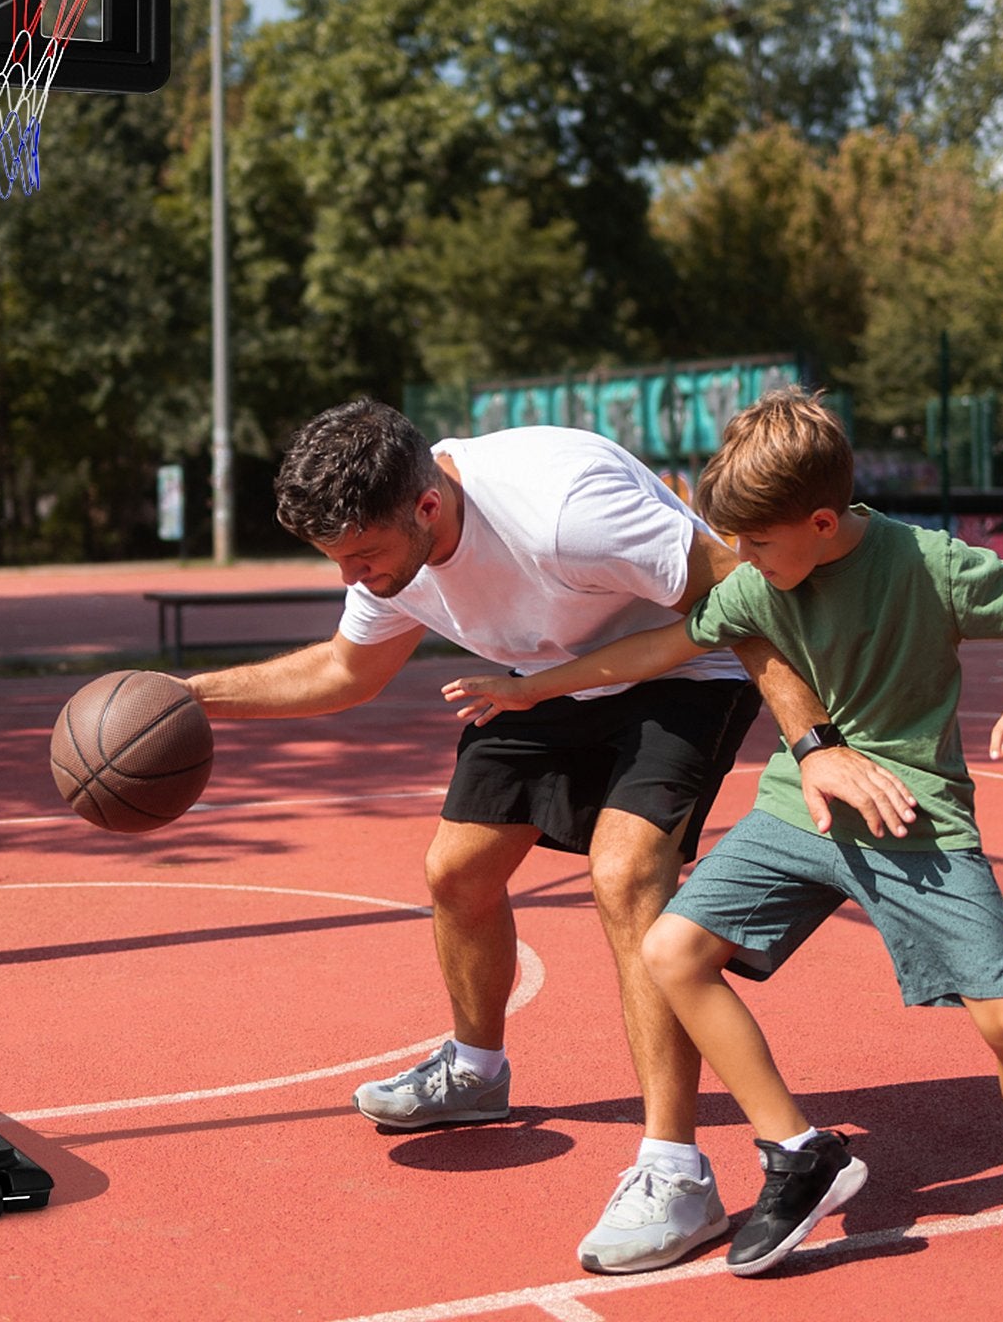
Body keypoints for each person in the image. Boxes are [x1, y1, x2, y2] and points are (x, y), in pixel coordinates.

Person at [181, 398, 900, 1273]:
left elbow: (741, 595)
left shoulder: (565, 512)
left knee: (627, 875)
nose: (355, 581)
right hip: (544, 677)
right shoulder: (389, 551)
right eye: (339, 562)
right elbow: (345, 668)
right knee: (456, 873)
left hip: (682, 665)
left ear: (429, 506)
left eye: (362, 558)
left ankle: (676, 1173)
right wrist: (191, 695)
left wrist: (816, 741)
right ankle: (476, 1074)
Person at [444, 387, 1003, 1275]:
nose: (736, 561)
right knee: (673, 952)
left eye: (755, 542)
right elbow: (659, 648)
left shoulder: (930, 565)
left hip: (913, 819)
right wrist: (534, 686)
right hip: (800, 809)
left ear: (823, 521)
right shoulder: (755, 579)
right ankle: (799, 1152)